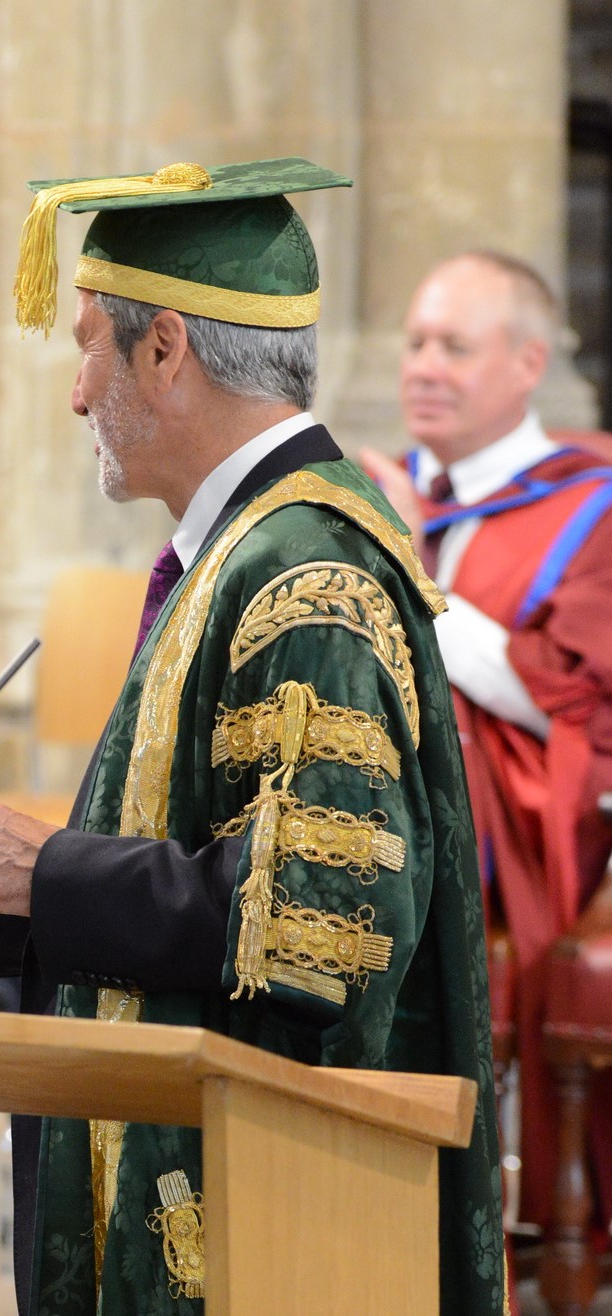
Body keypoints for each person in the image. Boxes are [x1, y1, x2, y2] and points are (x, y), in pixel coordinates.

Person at [0, 159, 505, 1313]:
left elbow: (324, 925)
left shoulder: (307, 576)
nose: (77, 395)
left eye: (88, 346)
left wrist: (49, 872)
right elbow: (187, 850)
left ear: (166, 348)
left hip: (273, 1216)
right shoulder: (239, 549)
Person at [358, 250, 612, 1237]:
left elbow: (569, 703)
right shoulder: (385, 488)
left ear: (527, 363)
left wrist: (410, 567)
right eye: (416, 342)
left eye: (454, 347)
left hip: (527, 830)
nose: (424, 366)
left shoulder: (591, 506)